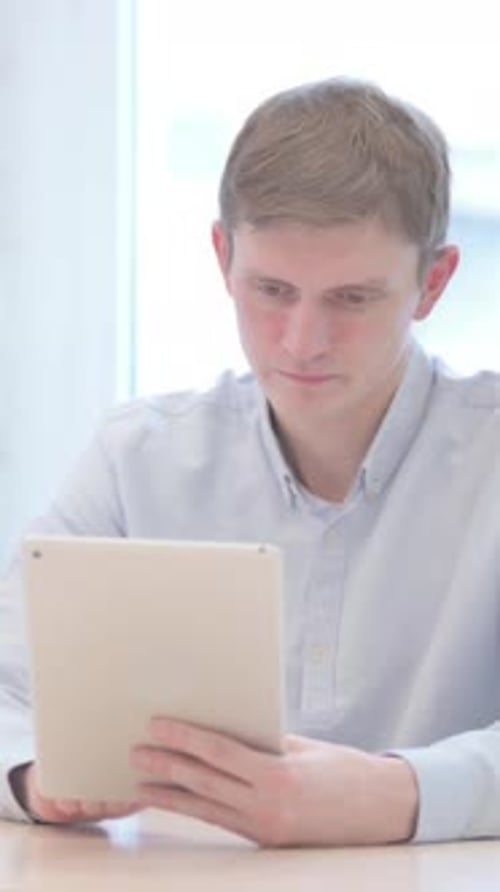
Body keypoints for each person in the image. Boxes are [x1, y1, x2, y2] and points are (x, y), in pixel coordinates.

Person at [1, 74, 499, 848]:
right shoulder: (138, 458)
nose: (301, 341)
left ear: (433, 283)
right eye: (270, 289)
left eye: (353, 299)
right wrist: (37, 776)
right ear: (221, 256)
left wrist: (402, 793)